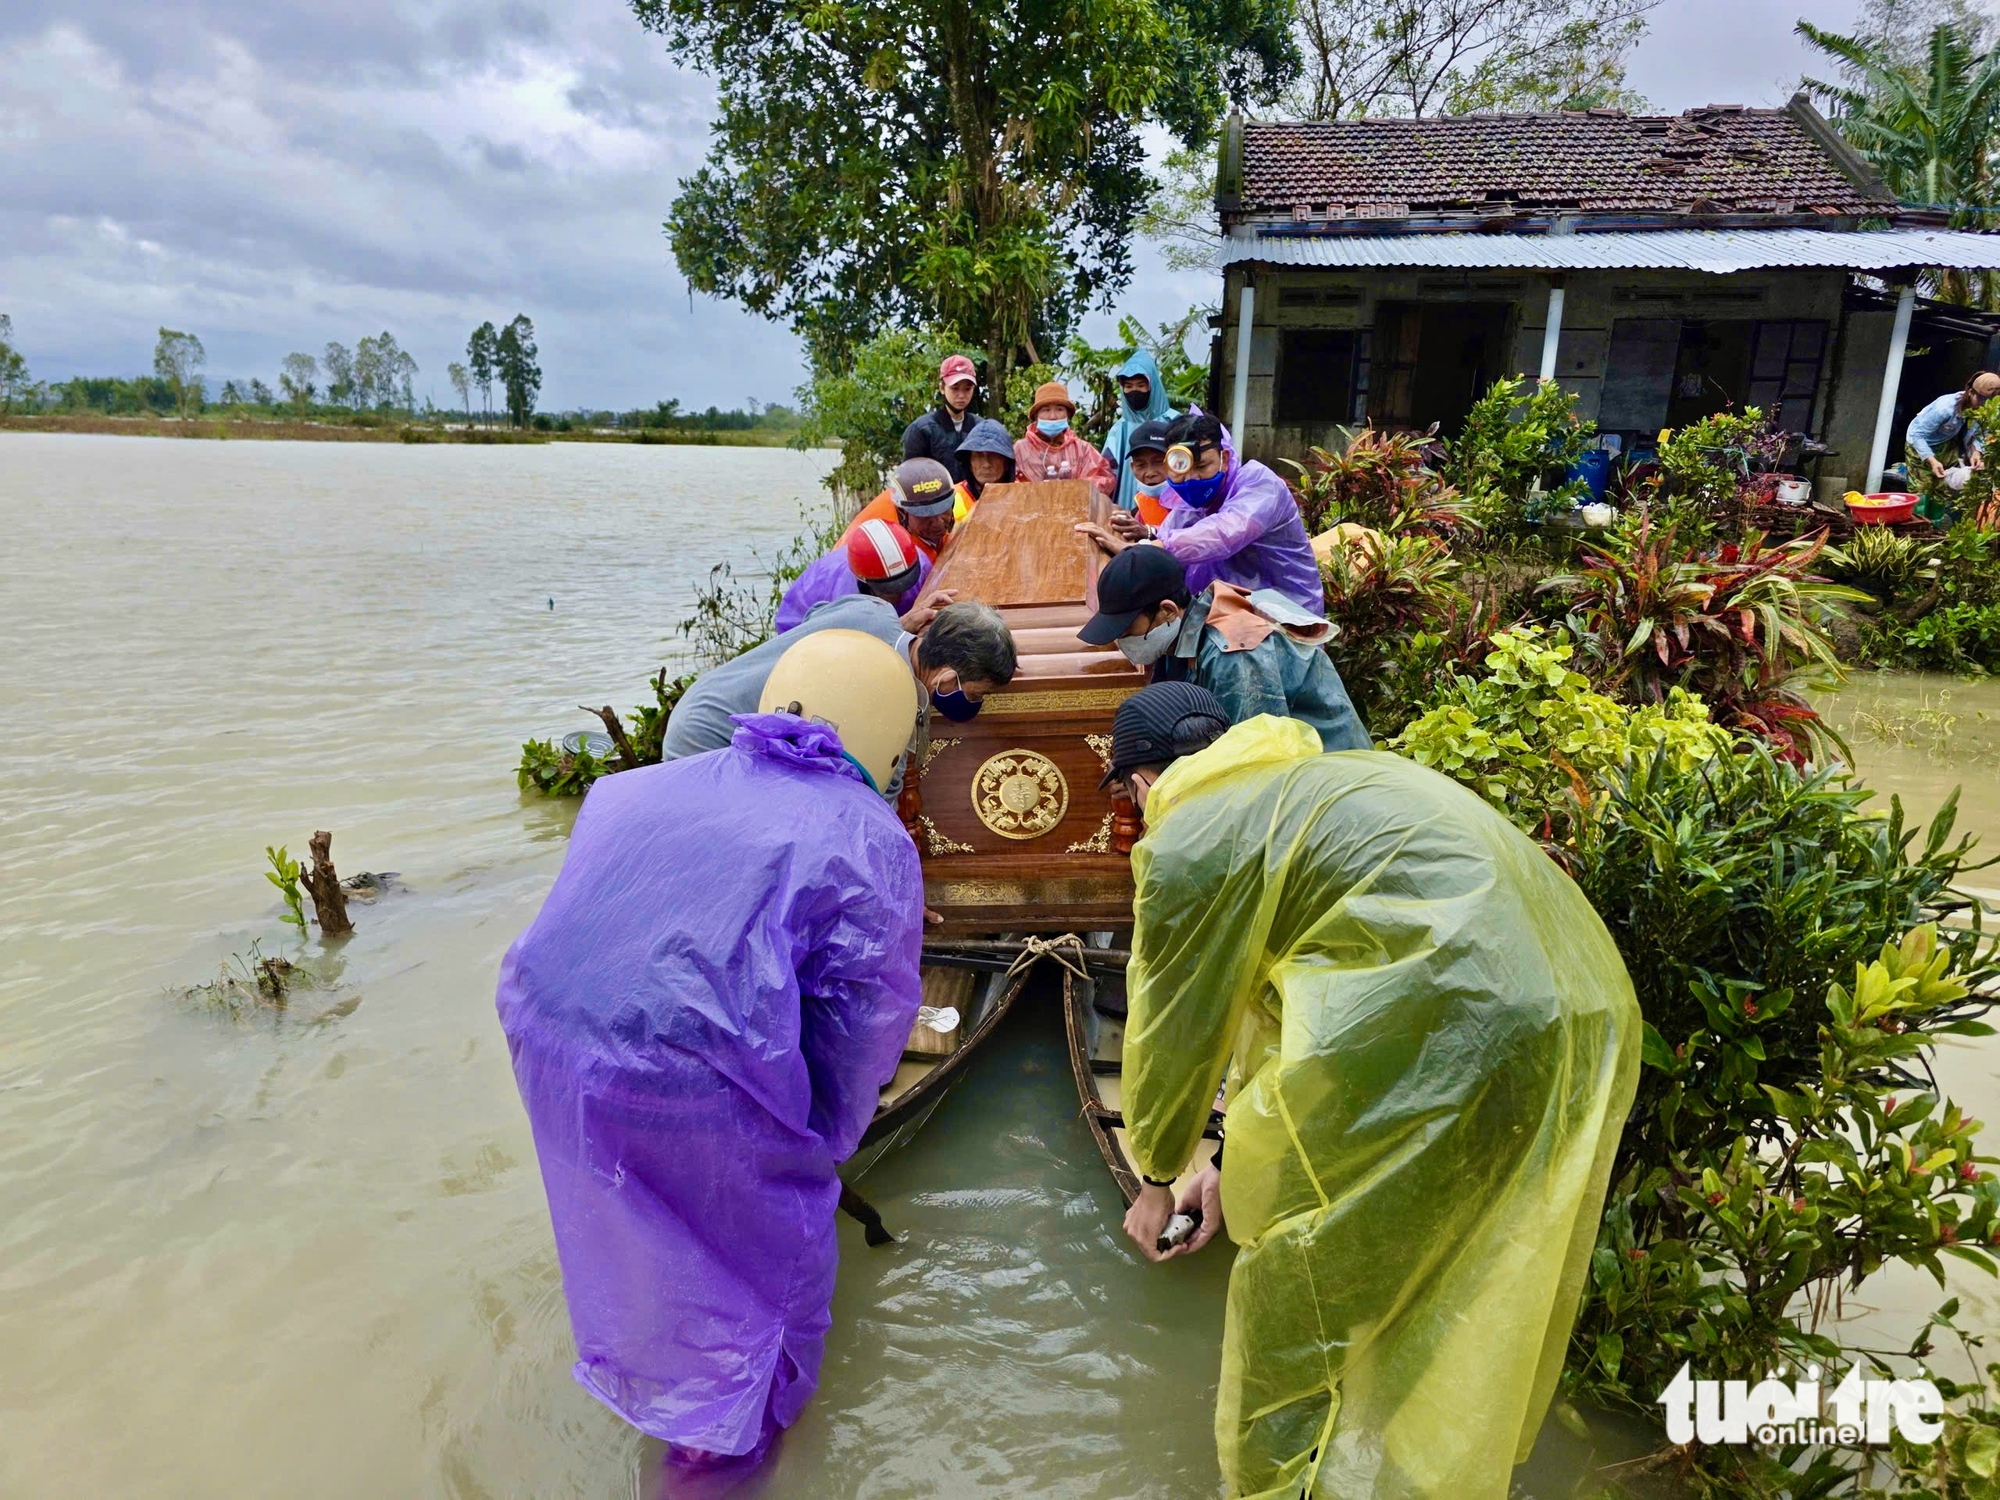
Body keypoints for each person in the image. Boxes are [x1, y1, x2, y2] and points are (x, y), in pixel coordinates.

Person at [1102, 684, 1640, 1500]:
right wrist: (1222, 1162)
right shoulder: (1326, 785)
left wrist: (1154, 1177)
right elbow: (1291, 1012)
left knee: (1297, 1282)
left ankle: (1275, 1487)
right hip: (1581, 1009)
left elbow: (1171, 1032)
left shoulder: (1190, 840)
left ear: (1143, 785)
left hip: (1452, 1018)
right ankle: (1401, 1473)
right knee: (1445, 1268)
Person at [498, 629, 927, 1471]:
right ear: (889, 738)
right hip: (684, 1067)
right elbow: (862, 1027)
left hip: (542, 1030)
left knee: (627, 1214)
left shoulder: (636, 786)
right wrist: (815, 1145)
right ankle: (725, 1459)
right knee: (775, 1272)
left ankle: (642, 1362)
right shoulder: (869, 837)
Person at [661, 595, 1017, 796]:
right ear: (948, 679)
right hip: (713, 741)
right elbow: (870, 801)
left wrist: (891, 633)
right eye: (975, 694)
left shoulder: (874, 610)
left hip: (701, 700)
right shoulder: (889, 698)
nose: (974, 703)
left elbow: (816, 612)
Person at [1078, 544, 1369, 751]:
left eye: (1127, 628)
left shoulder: (1234, 653)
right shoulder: (1178, 641)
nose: (1121, 639)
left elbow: (1257, 755)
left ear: (1167, 610)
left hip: (1330, 777)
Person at [1074, 411, 1322, 613]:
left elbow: (1221, 533)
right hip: (1231, 617)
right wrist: (1145, 537)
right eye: (1181, 468)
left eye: (1202, 465)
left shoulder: (1260, 485)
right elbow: (1172, 533)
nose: (1192, 478)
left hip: (1284, 620)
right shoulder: (1193, 501)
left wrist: (1142, 551)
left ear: (1224, 458)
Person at [774, 517, 930, 634]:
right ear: (864, 583)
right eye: (888, 590)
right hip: (806, 635)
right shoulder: (842, 600)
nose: (898, 594)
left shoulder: (919, 562)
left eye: (904, 584)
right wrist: (899, 627)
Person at [839, 457, 960, 564]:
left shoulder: (912, 511)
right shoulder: (884, 543)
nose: (938, 522)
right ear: (902, 513)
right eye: (925, 515)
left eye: (943, 509)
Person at [1101, 350, 1178, 514]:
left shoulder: (1175, 422)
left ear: (1153, 386)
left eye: (1141, 385)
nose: (1134, 391)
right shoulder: (1119, 429)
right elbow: (1106, 470)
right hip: (1125, 503)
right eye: (1128, 386)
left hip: (1173, 508)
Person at [1012, 380, 1115, 497]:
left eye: (1059, 409)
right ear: (1036, 416)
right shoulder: (1021, 449)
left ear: (1068, 415)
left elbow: (1104, 477)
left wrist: (1075, 489)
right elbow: (1010, 484)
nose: (1053, 416)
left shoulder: (1082, 449)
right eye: (1046, 410)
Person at [903, 353, 982, 483]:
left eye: (967, 389)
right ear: (942, 388)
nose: (961, 395)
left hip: (974, 501)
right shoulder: (921, 430)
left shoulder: (981, 428)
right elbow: (910, 479)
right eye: (955, 388)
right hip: (937, 501)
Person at [1907, 370, 1999, 479]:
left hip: (1946, 441)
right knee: (1923, 487)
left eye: (1990, 400)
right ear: (1970, 392)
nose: (1985, 404)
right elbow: (1916, 435)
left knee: (1947, 486)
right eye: (1981, 399)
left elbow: (1979, 432)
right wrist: (1932, 460)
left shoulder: (1983, 410)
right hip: (1921, 443)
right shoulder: (1944, 408)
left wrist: (1976, 452)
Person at [951, 417, 1017, 523]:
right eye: (978, 456)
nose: (986, 464)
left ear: (1006, 462)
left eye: (994, 455)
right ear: (969, 463)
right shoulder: (951, 498)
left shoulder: (1022, 495)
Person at [1123, 417, 1173, 530]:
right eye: (1141, 465)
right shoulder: (1139, 509)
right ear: (1132, 467)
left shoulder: (1194, 503)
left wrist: (1150, 533)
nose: (1150, 473)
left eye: (1158, 462)